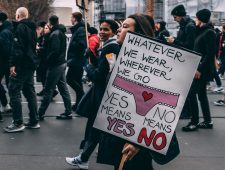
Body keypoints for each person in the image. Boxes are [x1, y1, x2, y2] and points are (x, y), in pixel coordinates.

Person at [96, 14, 179, 170]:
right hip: (120, 131)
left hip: (135, 139)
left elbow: (157, 109)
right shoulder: (123, 55)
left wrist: (138, 142)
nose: (120, 29)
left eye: (126, 27)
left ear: (139, 33)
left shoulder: (150, 64)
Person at [65, 19, 120, 170]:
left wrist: (87, 65)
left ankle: (83, 158)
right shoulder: (109, 46)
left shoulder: (111, 48)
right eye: (101, 29)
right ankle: (83, 157)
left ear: (114, 32)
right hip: (100, 94)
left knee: (95, 128)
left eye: (106, 29)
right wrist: (93, 57)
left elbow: (101, 76)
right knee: (94, 128)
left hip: (101, 94)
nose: (102, 31)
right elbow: (107, 68)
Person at [4, 7, 39, 132]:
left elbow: (17, 47)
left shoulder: (19, 27)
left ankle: (18, 122)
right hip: (30, 63)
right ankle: (34, 120)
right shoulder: (32, 28)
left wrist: (12, 64)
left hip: (21, 64)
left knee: (14, 91)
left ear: (18, 15)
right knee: (30, 92)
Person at [182, 9, 216, 131]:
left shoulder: (209, 33)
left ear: (200, 19)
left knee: (191, 93)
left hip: (203, 70)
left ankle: (194, 122)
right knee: (201, 95)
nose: (195, 20)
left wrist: (199, 69)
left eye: (196, 18)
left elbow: (210, 54)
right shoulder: (201, 31)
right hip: (200, 68)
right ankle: (208, 121)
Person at [37, 15, 72, 120]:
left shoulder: (55, 34)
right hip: (61, 63)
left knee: (48, 90)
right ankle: (68, 111)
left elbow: (54, 51)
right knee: (63, 88)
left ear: (50, 23)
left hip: (55, 65)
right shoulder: (60, 32)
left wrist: (47, 60)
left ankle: (39, 113)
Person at [167, 4, 196, 119]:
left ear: (180, 16)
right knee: (183, 88)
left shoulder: (189, 26)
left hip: (187, 61)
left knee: (185, 89)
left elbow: (189, 45)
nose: (174, 19)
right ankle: (185, 111)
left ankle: (187, 112)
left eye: (175, 17)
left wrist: (174, 42)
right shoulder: (185, 25)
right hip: (183, 60)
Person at [66, 12, 87, 112]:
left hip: (76, 60)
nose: (70, 19)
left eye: (71, 17)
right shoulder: (79, 29)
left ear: (75, 18)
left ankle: (82, 95)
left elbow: (82, 44)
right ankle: (80, 104)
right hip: (76, 59)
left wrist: (73, 44)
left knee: (69, 79)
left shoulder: (80, 29)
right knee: (77, 81)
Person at [0, 11, 13, 121]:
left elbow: (5, 49)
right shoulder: (12, 28)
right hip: (11, 62)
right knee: (11, 85)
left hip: (4, 61)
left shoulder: (4, 32)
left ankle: (5, 104)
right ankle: (10, 105)